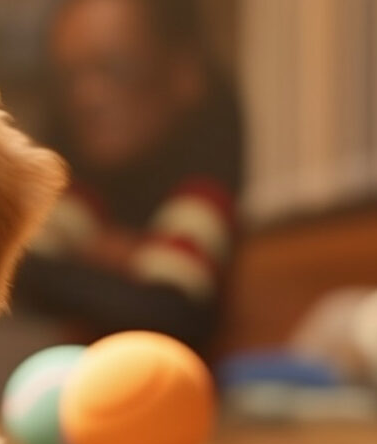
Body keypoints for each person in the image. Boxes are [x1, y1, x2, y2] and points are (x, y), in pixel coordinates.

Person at [19, 0, 242, 350]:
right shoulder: (70, 163)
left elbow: (176, 312)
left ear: (185, 73)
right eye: (69, 77)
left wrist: (75, 261)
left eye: (116, 67)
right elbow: (21, 264)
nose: (86, 96)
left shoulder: (207, 158)